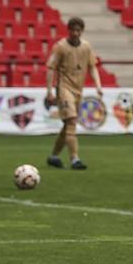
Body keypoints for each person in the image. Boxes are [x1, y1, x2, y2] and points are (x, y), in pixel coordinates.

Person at [45, 17, 103, 170]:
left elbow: (92, 67)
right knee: (71, 122)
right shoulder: (60, 47)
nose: (76, 33)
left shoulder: (87, 47)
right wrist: (50, 90)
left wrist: (98, 85)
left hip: (78, 90)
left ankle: (54, 156)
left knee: (67, 126)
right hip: (64, 88)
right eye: (73, 30)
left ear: (82, 31)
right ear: (68, 31)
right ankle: (74, 159)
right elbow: (51, 68)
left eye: (78, 31)